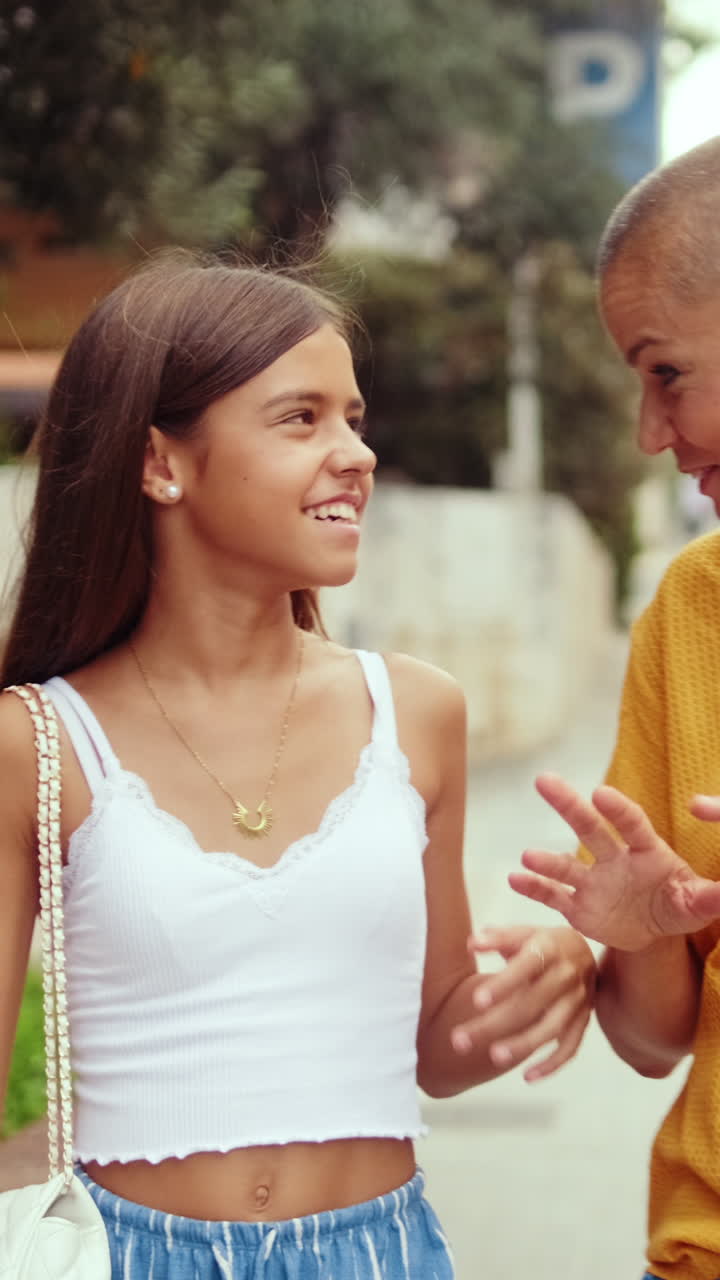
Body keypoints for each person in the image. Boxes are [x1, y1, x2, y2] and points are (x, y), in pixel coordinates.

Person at [0, 251, 595, 1279]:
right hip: (126, 1255)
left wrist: (554, 975)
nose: (355, 452)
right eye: (301, 417)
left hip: (382, 1251)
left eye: (354, 416)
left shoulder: (415, 712)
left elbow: (435, 1048)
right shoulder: (36, 742)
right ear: (160, 463)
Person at [506, 135, 720, 1280]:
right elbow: (655, 1042)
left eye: (666, 371)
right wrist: (637, 938)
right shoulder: (689, 610)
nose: (650, 433)